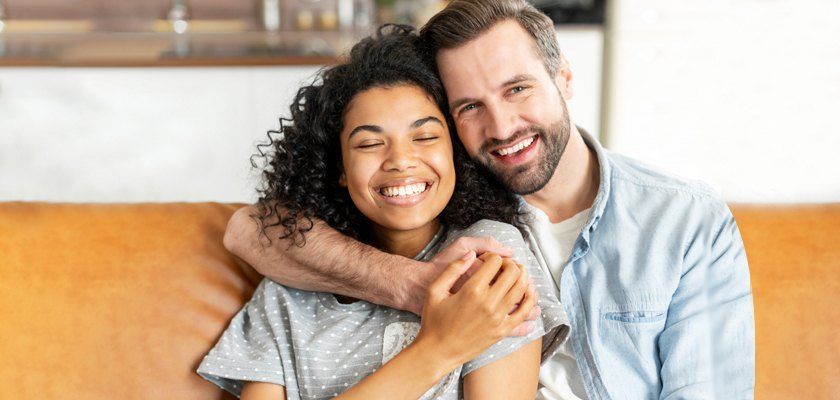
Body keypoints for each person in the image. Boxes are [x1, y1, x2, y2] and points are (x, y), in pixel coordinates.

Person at [224, 0, 755, 398]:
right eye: (469, 105)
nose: (502, 127)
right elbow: (245, 230)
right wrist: (416, 286)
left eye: (517, 89)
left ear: (563, 77)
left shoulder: (681, 220)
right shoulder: (445, 207)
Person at [197, 25, 567, 400]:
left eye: (425, 137)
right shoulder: (289, 286)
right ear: (339, 168)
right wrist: (437, 350)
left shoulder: (487, 255)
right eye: (371, 143)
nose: (401, 161)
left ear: (455, 153)